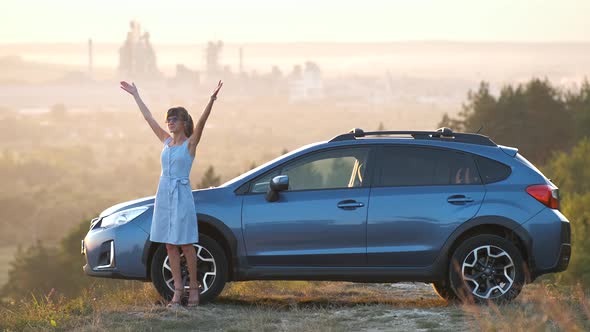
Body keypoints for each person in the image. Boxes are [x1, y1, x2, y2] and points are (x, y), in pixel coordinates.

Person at [120, 80, 223, 307]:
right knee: (168, 245)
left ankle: (194, 289)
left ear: (184, 122)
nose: (169, 122)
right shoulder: (166, 142)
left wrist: (211, 100)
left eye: (174, 118)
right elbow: (149, 119)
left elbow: (203, 124)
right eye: (168, 118)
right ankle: (177, 291)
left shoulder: (190, 145)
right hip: (164, 195)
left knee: (186, 244)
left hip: (182, 196)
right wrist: (136, 95)